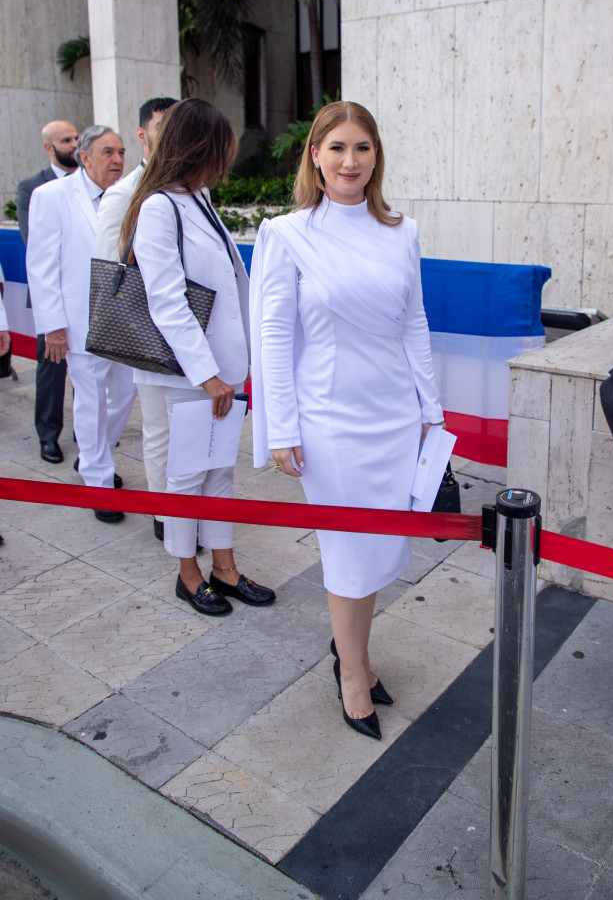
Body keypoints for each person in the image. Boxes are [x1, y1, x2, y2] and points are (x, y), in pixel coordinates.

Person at [251, 100, 444, 739]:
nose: (350, 160)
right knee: (348, 550)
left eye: (362, 147)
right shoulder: (288, 235)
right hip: (329, 423)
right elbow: (274, 336)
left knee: (379, 547)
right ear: (315, 155)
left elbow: (414, 322)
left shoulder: (402, 231)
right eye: (337, 147)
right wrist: (281, 427)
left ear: (376, 156)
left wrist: (429, 409)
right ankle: (353, 675)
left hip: (395, 417)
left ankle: (350, 652)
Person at [122, 98, 275, 616]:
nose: (228, 154)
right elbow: (167, 300)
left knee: (219, 472)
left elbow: (229, 284)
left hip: (222, 370)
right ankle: (188, 575)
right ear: (200, 145)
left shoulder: (198, 197)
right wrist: (208, 375)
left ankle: (224, 568)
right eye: (223, 144)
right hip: (193, 373)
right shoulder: (158, 206)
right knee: (188, 474)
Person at [26, 126, 136, 523]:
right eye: (108, 152)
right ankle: (98, 481)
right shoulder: (51, 196)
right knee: (91, 401)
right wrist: (53, 327)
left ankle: (93, 455)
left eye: (121, 152)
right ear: (85, 157)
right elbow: (41, 265)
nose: (117, 159)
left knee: (125, 393)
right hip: (78, 322)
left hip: (122, 321)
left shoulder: (128, 197)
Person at [95, 96, 177, 541]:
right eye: (164, 126)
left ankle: (188, 508)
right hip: (150, 332)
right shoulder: (124, 194)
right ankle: (165, 515)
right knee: (160, 427)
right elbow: (111, 272)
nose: (174, 134)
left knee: (187, 428)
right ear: (143, 134)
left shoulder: (192, 189)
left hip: (189, 330)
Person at [16, 120, 79, 464]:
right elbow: (35, 244)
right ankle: (48, 436)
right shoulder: (32, 188)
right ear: (49, 147)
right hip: (52, 295)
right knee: (51, 369)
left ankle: (86, 432)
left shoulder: (91, 184)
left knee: (88, 372)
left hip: (86, 297)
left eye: (76, 138)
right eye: (66, 140)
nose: (74, 144)